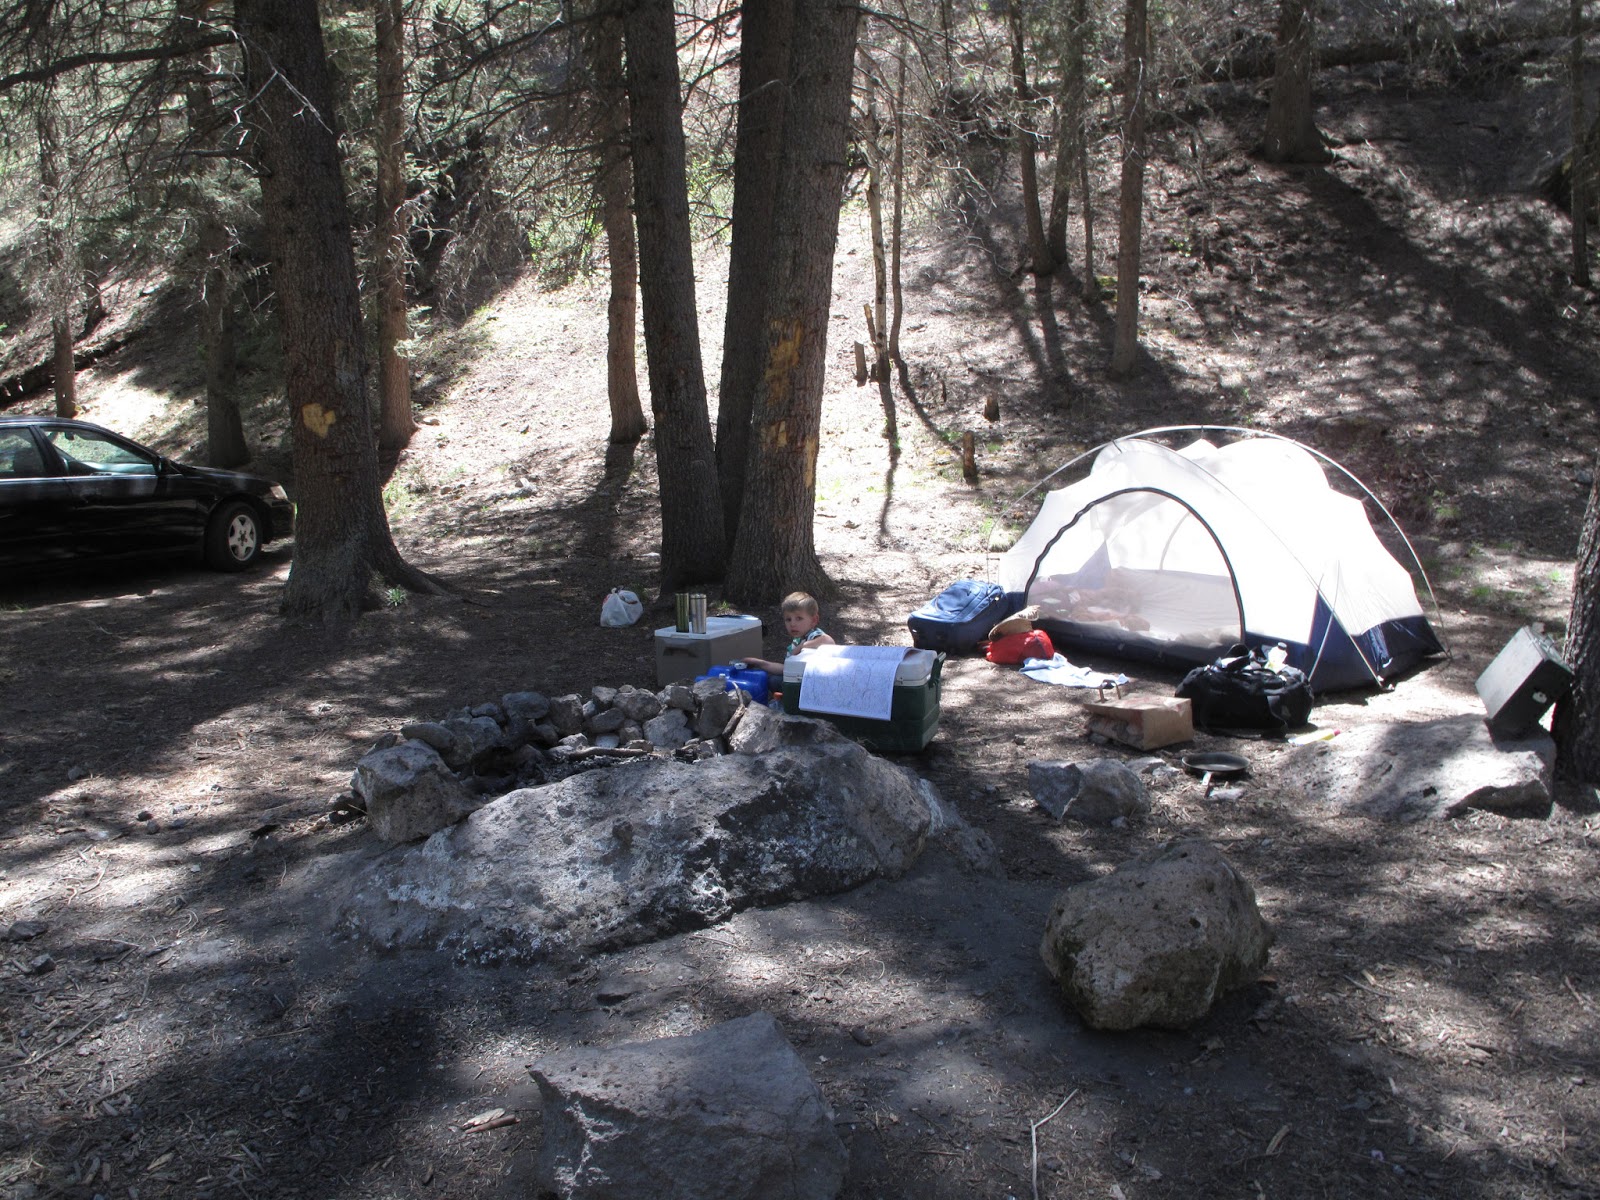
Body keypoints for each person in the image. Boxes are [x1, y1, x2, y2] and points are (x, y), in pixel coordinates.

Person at [744, 591, 836, 677]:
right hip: (799, 679)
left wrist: (803, 646)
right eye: (788, 619)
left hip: (816, 680)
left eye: (799, 618)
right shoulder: (796, 641)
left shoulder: (813, 635)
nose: (792, 624)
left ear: (814, 620)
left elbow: (828, 641)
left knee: (775, 682)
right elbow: (786, 669)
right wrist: (762, 664)